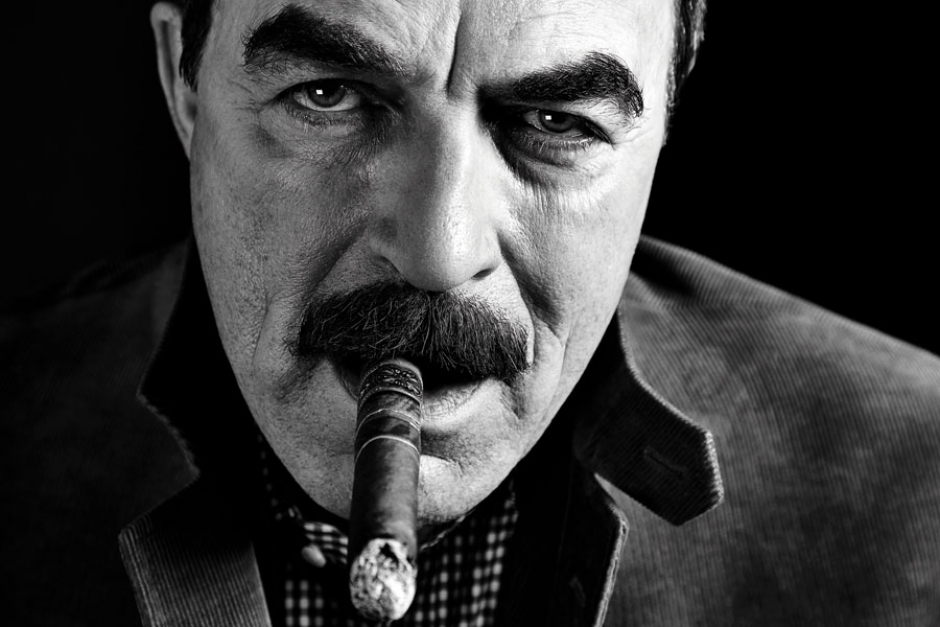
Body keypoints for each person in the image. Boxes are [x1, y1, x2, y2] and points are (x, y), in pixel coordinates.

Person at [1, 0, 937, 625]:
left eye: (558, 123)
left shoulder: (920, 498)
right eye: (327, 96)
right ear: (184, 80)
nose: (440, 255)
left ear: (665, 122)